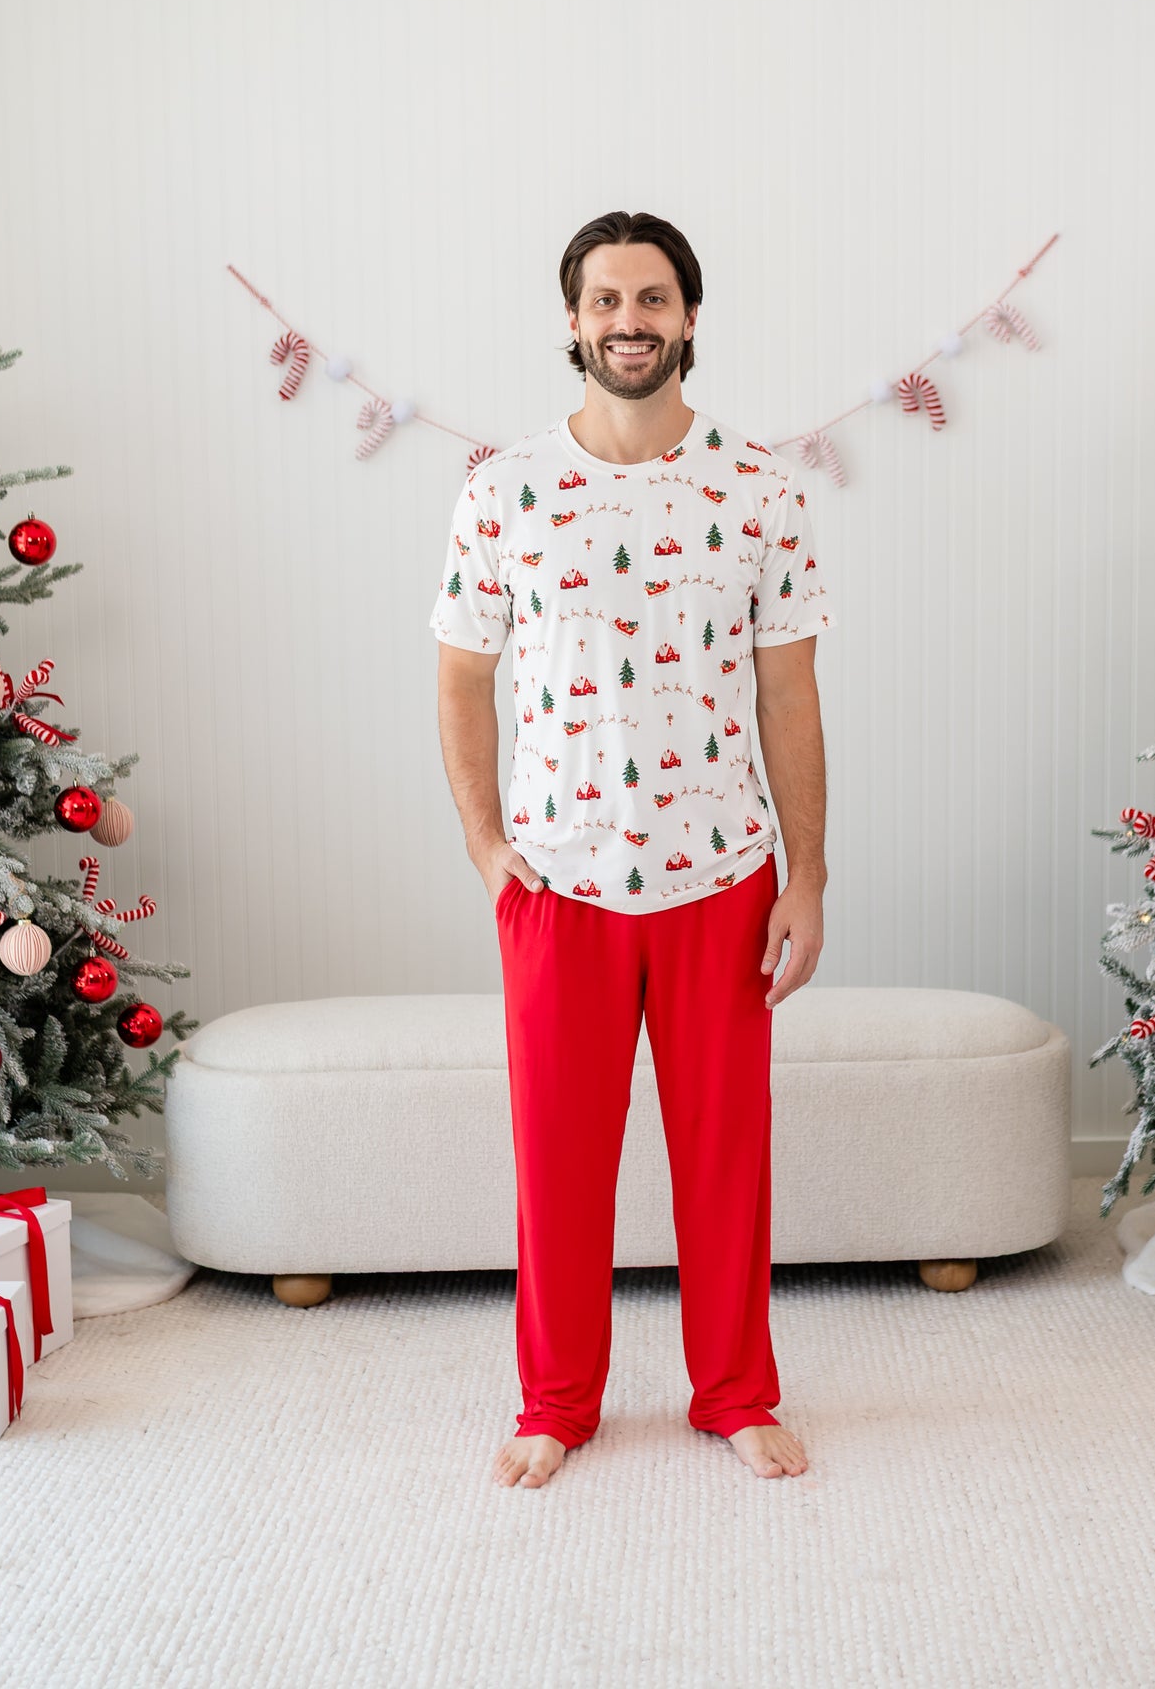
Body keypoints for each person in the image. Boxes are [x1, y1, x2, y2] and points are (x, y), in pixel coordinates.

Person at [428, 210, 836, 1488]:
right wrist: (493, 852)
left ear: (691, 317)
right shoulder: (504, 491)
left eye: (651, 298)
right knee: (557, 1162)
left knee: (726, 1159)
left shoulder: (760, 488)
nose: (628, 321)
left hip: (724, 877)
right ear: (572, 321)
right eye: (605, 300)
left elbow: (790, 696)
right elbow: (459, 683)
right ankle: (555, 1402)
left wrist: (807, 882)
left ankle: (734, 1393)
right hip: (559, 884)